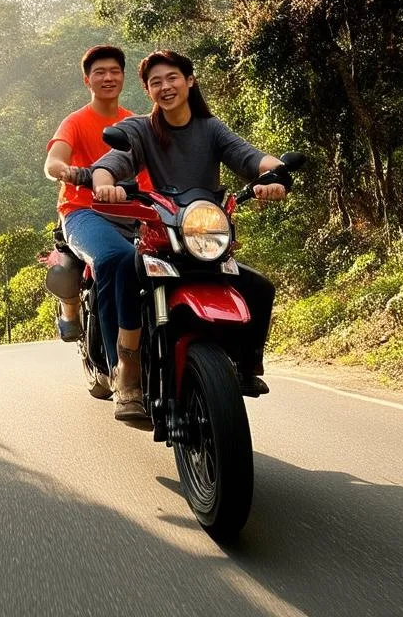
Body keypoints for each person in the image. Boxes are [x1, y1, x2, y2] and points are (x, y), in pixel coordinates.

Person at [91, 49, 286, 415]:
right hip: (159, 238)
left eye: (172, 78)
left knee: (260, 287)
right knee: (125, 273)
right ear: (148, 91)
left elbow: (249, 157)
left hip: (204, 239)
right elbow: (111, 163)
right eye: (155, 82)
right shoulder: (141, 130)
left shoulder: (210, 128)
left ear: (190, 81)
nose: (165, 87)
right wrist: (106, 184)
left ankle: (246, 364)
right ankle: (128, 370)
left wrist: (276, 175)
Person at [44, 45, 150, 369]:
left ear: (123, 77)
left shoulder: (135, 123)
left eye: (114, 71)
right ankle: (116, 367)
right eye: (100, 73)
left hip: (133, 212)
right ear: (87, 80)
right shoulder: (75, 122)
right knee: (115, 258)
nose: (108, 78)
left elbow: (150, 177)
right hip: (82, 212)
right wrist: (67, 171)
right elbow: (54, 161)